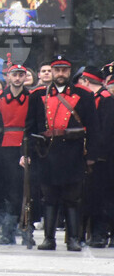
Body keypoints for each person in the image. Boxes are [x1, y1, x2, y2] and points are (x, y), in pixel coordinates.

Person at [25, 55, 99, 251]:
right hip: (47, 153)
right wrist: (30, 152)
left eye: (64, 70)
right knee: (48, 198)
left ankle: (73, 238)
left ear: (69, 71)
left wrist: (91, 155)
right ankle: (49, 238)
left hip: (73, 152)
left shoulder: (84, 95)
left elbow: (93, 127)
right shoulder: (37, 95)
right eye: (56, 70)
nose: (60, 74)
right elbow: (30, 127)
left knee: (73, 198)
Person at [0, 59, 31, 245]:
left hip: (24, 148)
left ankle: (21, 228)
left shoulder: (32, 98)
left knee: (22, 192)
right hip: (2, 148)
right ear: (8, 77)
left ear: (25, 77)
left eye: (21, 75)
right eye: (14, 75)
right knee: (2, 191)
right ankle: (6, 229)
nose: (17, 78)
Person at [78, 65, 114, 247]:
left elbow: (105, 131)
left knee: (100, 197)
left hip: (102, 157)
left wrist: (95, 153)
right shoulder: (94, 98)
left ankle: (99, 234)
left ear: (86, 81)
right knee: (90, 196)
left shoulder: (106, 99)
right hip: (93, 154)